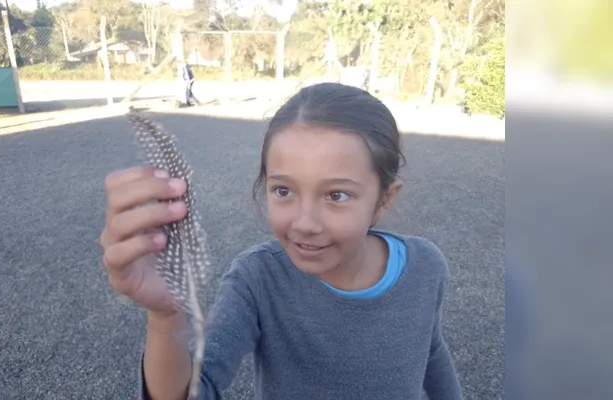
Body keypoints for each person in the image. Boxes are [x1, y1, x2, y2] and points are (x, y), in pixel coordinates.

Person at [100, 82, 463, 400]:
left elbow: (429, 349)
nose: (304, 223)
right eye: (283, 190)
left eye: (337, 195)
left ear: (384, 199)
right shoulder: (258, 279)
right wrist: (166, 316)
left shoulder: (426, 266)